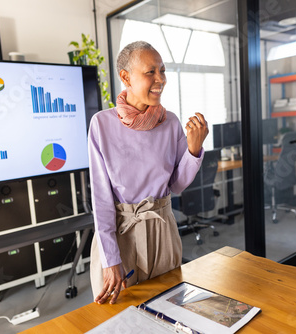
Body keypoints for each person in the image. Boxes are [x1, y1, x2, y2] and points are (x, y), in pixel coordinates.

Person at [88, 41, 209, 304]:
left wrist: (193, 149)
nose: (160, 79)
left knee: (169, 308)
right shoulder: (101, 124)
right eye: (150, 72)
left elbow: (176, 185)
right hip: (121, 234)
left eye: (162, 71)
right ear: (125, 77)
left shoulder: (171, 123)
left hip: (162, 228)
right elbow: (101, 199)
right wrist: (111, 259)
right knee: (119, 315)